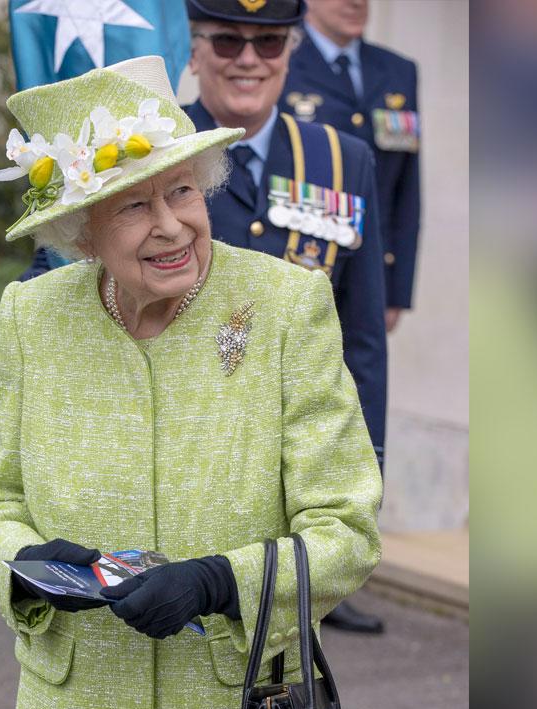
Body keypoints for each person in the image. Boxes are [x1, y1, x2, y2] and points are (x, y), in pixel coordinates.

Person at [0, 56, 382, 709]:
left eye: (183, 191)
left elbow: (348, 532)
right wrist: (27, 565)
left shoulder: (287, 308)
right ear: (81, 232)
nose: (172, 226)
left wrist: (221, 583)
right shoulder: (34, 317)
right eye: (135, 206)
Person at [183, 0, 387, 634]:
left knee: (281, 674)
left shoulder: (339, 158)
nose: (249, 59)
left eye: (269, 43)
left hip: (294, 456)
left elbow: (361, 331)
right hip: (186, 445)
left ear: (291, 52)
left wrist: (366, 461)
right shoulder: (154, 146)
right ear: (194, 50)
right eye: (227, 41)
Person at [285, 0, 421, 333]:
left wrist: (396, 289)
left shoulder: (398, 70)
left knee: (363, 377)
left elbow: (406, 186)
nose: (356, 2)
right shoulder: (281, 60)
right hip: (301, 266)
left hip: (373, 269)